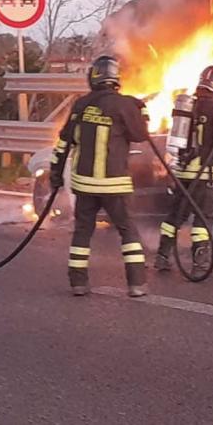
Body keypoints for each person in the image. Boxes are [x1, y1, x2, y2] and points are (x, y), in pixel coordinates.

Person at [49, 55, 150, 298]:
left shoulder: (81, 105)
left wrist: (55, 174)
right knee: (127, 231)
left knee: (83, 231)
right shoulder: (124, 105)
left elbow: (63, 143)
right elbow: (140, 135)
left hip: (85, 185)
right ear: (116, 78)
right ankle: (136, 283)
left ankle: (78, 283)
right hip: (114, 184)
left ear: (93, 77)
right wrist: (142, 112)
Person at [154, 65, 213, 275]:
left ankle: (162, 257)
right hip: (204, 176)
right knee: (203, 220)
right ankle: (200, 264)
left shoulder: (189, 106)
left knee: (175, 216)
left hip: (183, 173)